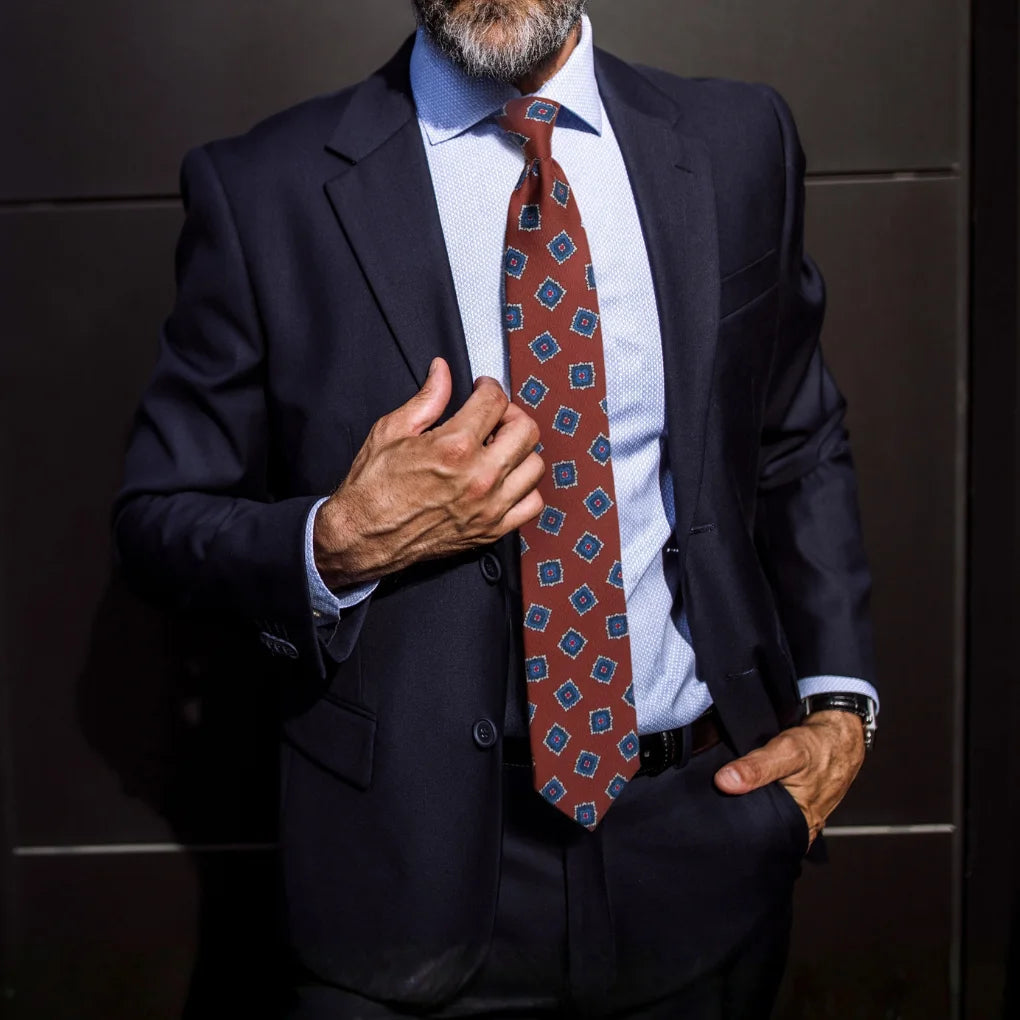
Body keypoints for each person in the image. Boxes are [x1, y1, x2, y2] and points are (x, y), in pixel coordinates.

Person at [114, 1, 880, 1016]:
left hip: (703, 839)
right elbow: (158, 519)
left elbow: (795, 435)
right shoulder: (266, 188)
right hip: (404, 881)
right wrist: (334, 542)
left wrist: (841, 705)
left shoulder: (739, 140)